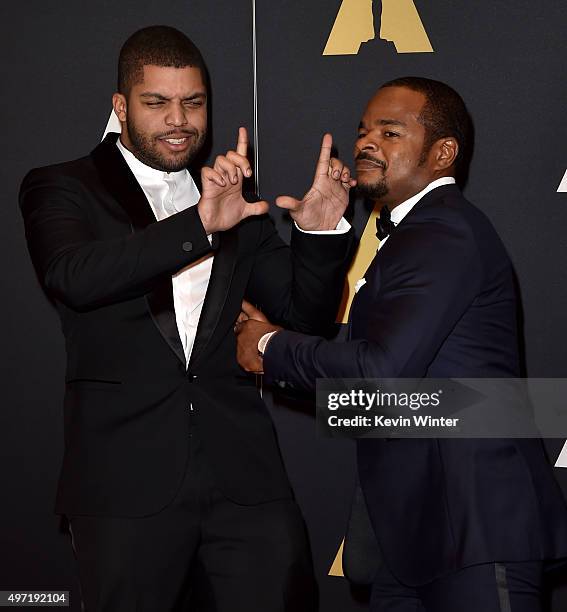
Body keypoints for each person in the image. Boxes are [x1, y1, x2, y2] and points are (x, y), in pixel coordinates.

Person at [19, 25, 356, 611]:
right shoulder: (62, 186)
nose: (179, 119)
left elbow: (307, 313)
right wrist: (199, 225)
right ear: (121, 106)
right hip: (123, 483)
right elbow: (74, 276)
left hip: (245, 477)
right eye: (157, 103)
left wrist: (318, 232)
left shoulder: (235, 200)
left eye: (193, 102)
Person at [236, 76, 567, 611]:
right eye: (364, 130)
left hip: (475, 531)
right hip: (415, 540)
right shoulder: (414, 234)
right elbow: (392, 402)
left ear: (443, 153)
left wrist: (272, 346)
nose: (367, 142)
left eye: (391, 132)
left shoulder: (443, 232)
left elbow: (384, 376)